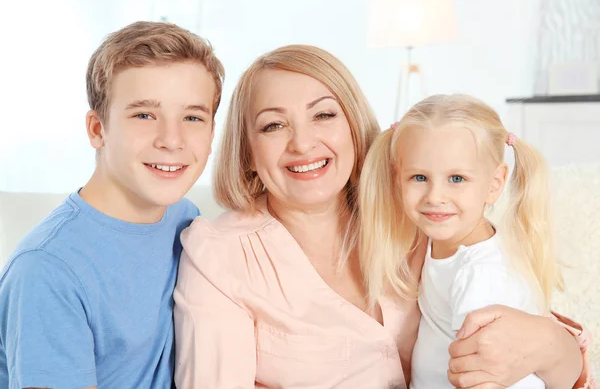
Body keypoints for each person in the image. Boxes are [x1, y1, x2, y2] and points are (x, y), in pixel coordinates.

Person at [173, 45, 591, 388]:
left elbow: (560, 366)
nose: (303, 143)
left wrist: (551, 343)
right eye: (273, 126)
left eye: (323, 115)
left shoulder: (423, 215)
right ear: (247, 152)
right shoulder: (219, 255)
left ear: (354, 125)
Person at [0, 21, 224, 388]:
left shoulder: (185, 219)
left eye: (192, 117)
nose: (172, 140)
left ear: (212, 133)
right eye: (144, 115)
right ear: (97, 129)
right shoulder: (46, 271)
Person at [360, 94, 595, 388]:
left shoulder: (479, 276)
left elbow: (484, 376)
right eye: (419, 177)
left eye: (456, 179)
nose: (435, 196)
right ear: (398, 179)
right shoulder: (448, 242)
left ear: (495, 184)